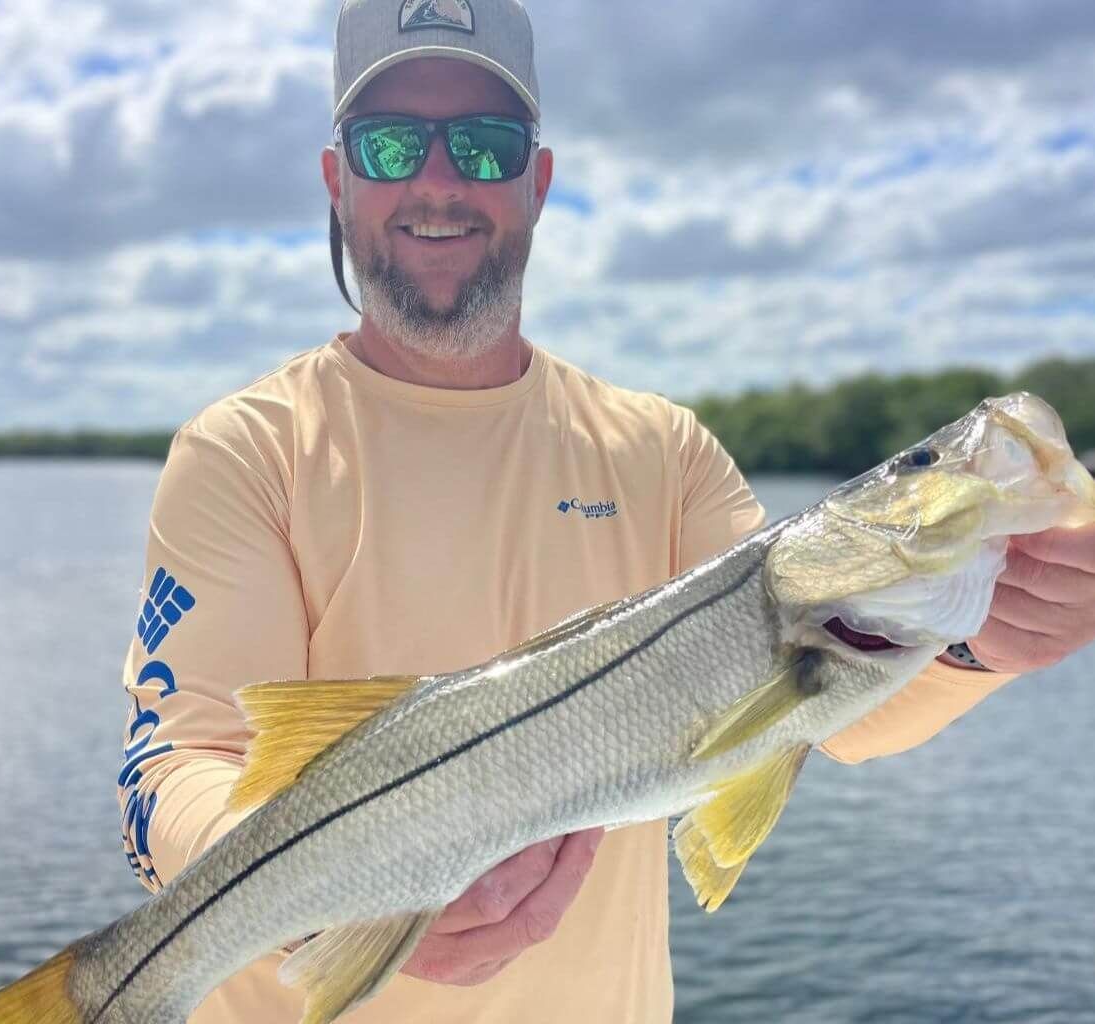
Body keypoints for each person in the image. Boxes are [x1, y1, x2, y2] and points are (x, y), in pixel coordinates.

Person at [117, 0, 1095, 1020]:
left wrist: (993, 641)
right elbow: (171, 768)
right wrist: (329, 888)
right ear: (338, 178)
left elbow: (838, 716)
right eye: (393, 142)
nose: (440, 181)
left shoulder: (663, 451)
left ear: (538, 184)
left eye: (488, 147)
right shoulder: (245, 448)